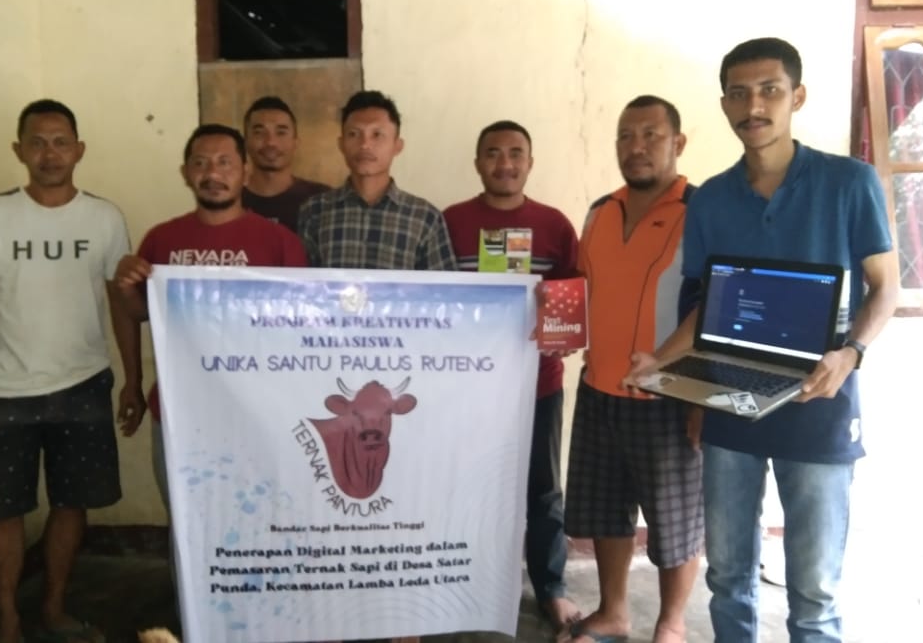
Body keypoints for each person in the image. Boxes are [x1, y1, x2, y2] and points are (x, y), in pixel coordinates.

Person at [629, 38, 899, 642]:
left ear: (796, 97)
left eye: (769, 90)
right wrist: (660, 362)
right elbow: (705, 307)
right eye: (739, 93)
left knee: (815, 590)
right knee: (728, 577)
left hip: (821, 401)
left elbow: (886, 289)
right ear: (725, 103)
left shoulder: (848, 183)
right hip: (731, 401)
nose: (754, 106)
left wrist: (850, 354)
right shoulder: (711, 199)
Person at [0, 99, 141, 643]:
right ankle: (8, 620)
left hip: (83, 386)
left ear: (79, 150)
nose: (49, 154)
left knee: (71, 504)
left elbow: (121, 305)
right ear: (19, 151)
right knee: (2, 511)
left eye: (60, 143)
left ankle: (54, 609)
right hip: (2, 391)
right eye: (37, 142)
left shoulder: (105, 218)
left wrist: (132, 379)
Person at [564, 95, 703, 643]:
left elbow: (713, 304)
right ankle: (614, 612)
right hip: (599, 389)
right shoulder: (601, 211)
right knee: (604, 509)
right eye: (626, 136)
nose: (636, 147)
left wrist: (696, 392)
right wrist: (558, 332)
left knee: (675, 520)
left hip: (670, 395)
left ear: (677, 143)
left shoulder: (701, 209)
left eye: (650, 135)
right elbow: (581, 289)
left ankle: (671, 623)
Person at [113, 123, 308, 508]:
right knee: (186, 521)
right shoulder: (161, 239)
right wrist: (125, 287)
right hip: (177, 410)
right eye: (201, 163)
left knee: (257, 516)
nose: (213, 173)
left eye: (224, 162)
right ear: (185, 173)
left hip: (255, 413)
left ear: (245, 172)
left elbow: (299, 328)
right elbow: (142, 314)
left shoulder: (279, 242)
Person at [442, 120, 581, 632]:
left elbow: (574, 301)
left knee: (542, 491)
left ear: (530, 162)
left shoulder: (555, 224)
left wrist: (564, 329)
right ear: (478, 163)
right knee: (467, 485)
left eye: (515, 153)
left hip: (537, 383)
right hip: (467, 385)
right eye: (493, 153)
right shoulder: (450, 221)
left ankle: (551, 588)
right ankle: (467, 582)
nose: (505, 163)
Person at [297, 90, 457, 270]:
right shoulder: (315, 211)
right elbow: (302, 283)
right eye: (354, 134)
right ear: (341, 144)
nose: (365, 145)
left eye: (377, 134)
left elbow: (441, 287)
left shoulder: (425, 218)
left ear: (397, 146)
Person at [241, 95, 330, 233]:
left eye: (281, 133)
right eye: (259, 133)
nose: (270, 142)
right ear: (246, 142)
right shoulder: (229, 200)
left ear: (296, 142)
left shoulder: (323, 200)